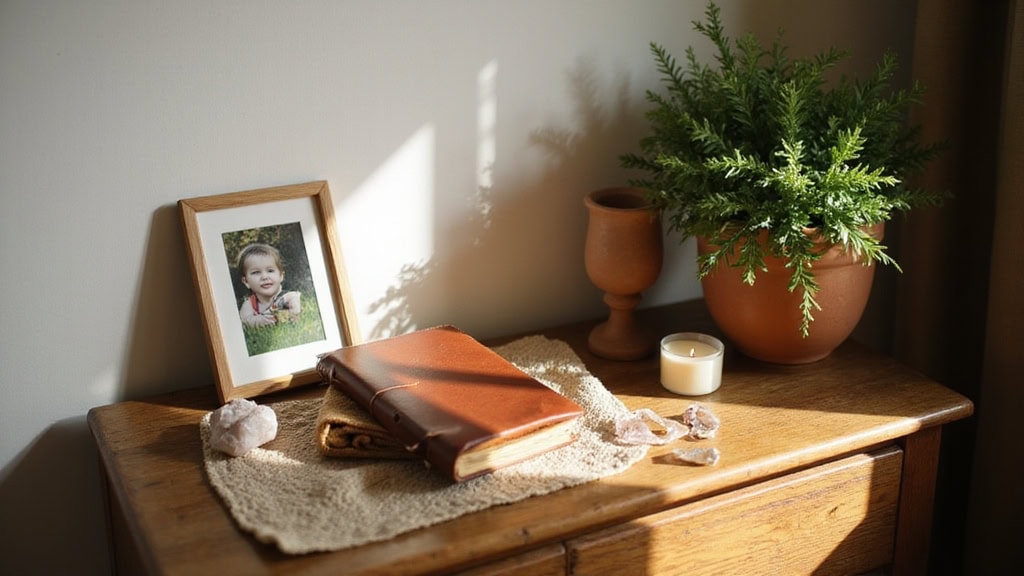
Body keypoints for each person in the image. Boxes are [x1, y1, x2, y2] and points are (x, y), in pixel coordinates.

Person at [236, 243, 302, 328]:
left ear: (281, 276)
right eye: (256, 272)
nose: (264, 277)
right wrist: (261, 320)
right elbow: (244, 321)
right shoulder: (250, 304)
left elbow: (296, 312)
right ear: (246, 282)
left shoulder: (287, 297)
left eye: (270, 271)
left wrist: (285, 314)